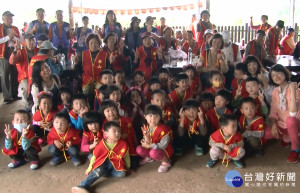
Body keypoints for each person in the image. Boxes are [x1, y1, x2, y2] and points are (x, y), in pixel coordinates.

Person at [71, 121, 130, 193]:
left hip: (115, 164)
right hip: (102, 164)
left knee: (122, 173)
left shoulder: (123, 144)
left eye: (119, 131)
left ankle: (103, 172)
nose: (117, 133)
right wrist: (89, 169)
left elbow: (126, 156)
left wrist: (128, 167)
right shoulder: (101, 144)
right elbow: (94, 157)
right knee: (98, 171)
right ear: (106, 134)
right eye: (114, 131)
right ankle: (82, 186)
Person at [264, 64, 300, 163]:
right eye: (273, 75)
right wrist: (274, 125)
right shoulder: (275, 91)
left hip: (295, 124)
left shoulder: (294, 88)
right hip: (282, 125)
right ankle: (286, 137)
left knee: (290, 120)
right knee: (266, 134)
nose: (276, 77)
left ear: (284, 73)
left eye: (278, 73)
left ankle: (295, 149)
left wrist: (293, 91)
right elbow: (273, 110)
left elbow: (293, 113)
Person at [99, 100, 137, 169]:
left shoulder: (126, 120)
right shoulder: (105, 124)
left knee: (134, 163)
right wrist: (120, 137)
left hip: (129, 145)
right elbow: (105, 137)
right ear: (103, 113)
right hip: (115, 148)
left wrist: (135, 143)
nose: (111, 112)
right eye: (107, 111)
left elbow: (132, 133)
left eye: (113, 109)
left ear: (117, 110)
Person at [74, 33, 110, 105]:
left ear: (99, 43)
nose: (93, 45)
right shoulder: (83, 54)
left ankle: (100, 107)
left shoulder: (104, 54)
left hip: (99, 79)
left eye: (96, 43)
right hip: (87, 79)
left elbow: (108, 69)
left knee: (101, 92)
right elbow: (78, 69)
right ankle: (88, 107)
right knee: (86, 91)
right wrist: (76, 63)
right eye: (91, 43)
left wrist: (111, 63)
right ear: (88, 44)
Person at [136, 104, 173, 173]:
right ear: (145, 117)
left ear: (160, 117)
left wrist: (149, 146)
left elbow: (163, 145)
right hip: (152, 148)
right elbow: (147, 143)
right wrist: (146, 137)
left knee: (153, 152)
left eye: (156, 116)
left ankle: (166, 162)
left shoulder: (163, 129)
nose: (153, 119)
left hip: (163, 150)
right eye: (150, 116)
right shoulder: (146, 127)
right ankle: (149, 158)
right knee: (139, 149)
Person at [0, 11, 22, 104]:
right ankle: (7, 97)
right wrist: (8, 37)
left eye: (11, 18)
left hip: (14, 52)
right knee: (5, 75)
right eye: (7, 18)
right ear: (3, 19)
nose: (9, 20)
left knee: (15, 74)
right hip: (3, 53)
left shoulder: (15, 28)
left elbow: (21, 40)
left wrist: (13, 38)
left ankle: (14, 94)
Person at [9, 33, 39, 100]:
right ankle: (28, 104)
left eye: (33, 40)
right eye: (29, 40)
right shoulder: (20, 52)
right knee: (25, 87)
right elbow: (12, 62)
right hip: (25, 77)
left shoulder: (38, 50)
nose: (32, 42)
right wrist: (15, 51)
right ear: (25, 42)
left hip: (37, 75)